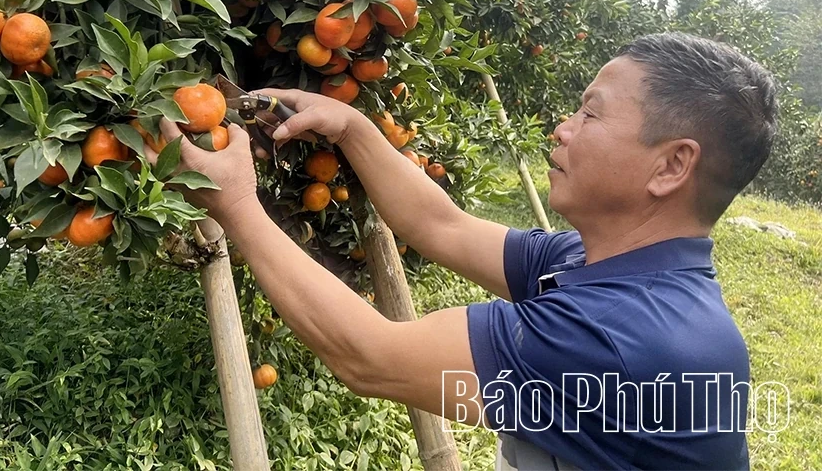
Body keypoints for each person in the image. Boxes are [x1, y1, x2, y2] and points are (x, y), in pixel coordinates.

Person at [156, 32, 778, 470]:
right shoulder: (599, 266)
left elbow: (370, 357)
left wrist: (235, 204)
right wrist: (350, 127)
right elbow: (442, 226)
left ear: (672, 165)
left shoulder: (622, 337)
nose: (562, 127)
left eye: (590, 113)